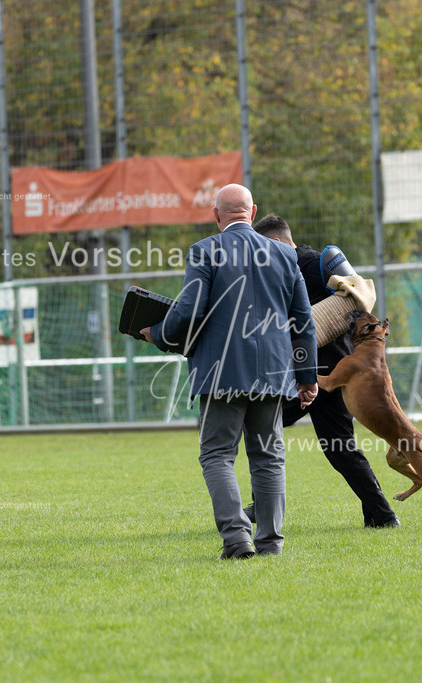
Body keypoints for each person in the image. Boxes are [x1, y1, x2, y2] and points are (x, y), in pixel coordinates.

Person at [141, 184, 318, 559]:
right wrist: (306, 376)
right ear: (252, 212)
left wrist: (157, 333)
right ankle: (271, 543)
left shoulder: (205, 250)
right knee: (268, 456)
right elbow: (303, 321)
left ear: (216, 215)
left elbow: (188, 311)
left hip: (220, 373)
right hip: (272, 373)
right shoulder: (287, 256)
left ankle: (237, 539)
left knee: (218, 455)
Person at [251, 214, 399, 528]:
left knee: (269, 427)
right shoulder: (284, 271)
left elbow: (362, 303)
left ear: (277, 243)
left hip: (323, 375)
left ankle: (262, 507)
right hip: (315, 374)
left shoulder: (317, 264)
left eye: (261, 250)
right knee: (335, 446)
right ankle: (383, 516)